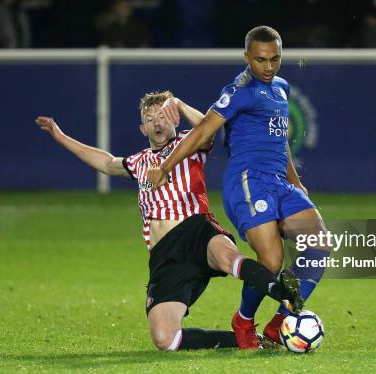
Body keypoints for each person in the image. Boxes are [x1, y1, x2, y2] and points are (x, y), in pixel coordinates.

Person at [35, 90, 302, 351]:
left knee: (227, 258)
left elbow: (209, 128)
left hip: (196, 228)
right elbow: (105, 162)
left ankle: (283, 294)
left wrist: (181, 105)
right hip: (165, 255)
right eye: (150, 120)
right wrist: (59, 135)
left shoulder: (188, 143)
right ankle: (247, 340)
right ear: (143, 129)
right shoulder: (139, 162)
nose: (157, 123)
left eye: (163, 116)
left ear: (174, 120)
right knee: (165, 339)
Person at [148, 26, 328, 349]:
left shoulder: (282, 89)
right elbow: (203, 131)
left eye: (275, 59)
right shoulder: (239, 90)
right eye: (261, 60)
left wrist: (296, 184)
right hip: (247, 182)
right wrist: (167, 165)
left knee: (320, 245)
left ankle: (280, 322)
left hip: (279, 183)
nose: (269, 67)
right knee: (271, 261)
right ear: (247, 57)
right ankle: (244, 319)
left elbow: (280, 141)